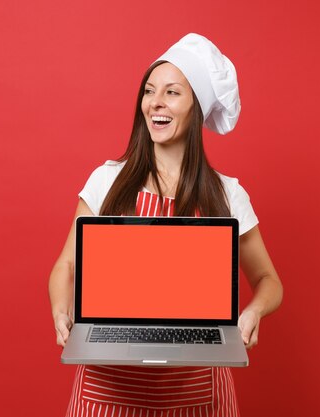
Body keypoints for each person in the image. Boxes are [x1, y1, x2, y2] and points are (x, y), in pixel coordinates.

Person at [49, 33, 283, 417]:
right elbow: (66, 265)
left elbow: (269, 280)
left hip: (197, 393)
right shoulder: (107, 180)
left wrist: (253, 312)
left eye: (172, 92)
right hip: (107, 392)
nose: (155, 101)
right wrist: (61, 310)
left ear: (197, 108)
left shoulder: (227, 195)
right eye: (149, 90)